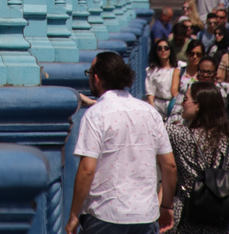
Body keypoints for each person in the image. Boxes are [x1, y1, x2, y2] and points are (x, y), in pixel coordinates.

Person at [66, 51, 177, 234]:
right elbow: (169, 166)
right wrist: (167, 206)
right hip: (145, 215)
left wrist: (74, 216)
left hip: (104, 215)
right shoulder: (150, 113)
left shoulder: (96, 115)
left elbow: (87, 170)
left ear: (96, 78)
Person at [167, 81, 229, 234]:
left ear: (198, 105)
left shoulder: (179, 135)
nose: (182, 103)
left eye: (186, 99)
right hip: (219, 220)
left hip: (186, 215)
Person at [146, 39, 181, 118]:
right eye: (159, 48)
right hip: (158, 104)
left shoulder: (178, 67)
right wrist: (152, 108)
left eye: (166, 48)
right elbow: (150, 91)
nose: (163, 51)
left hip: (173, 104)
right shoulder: (152, 70)